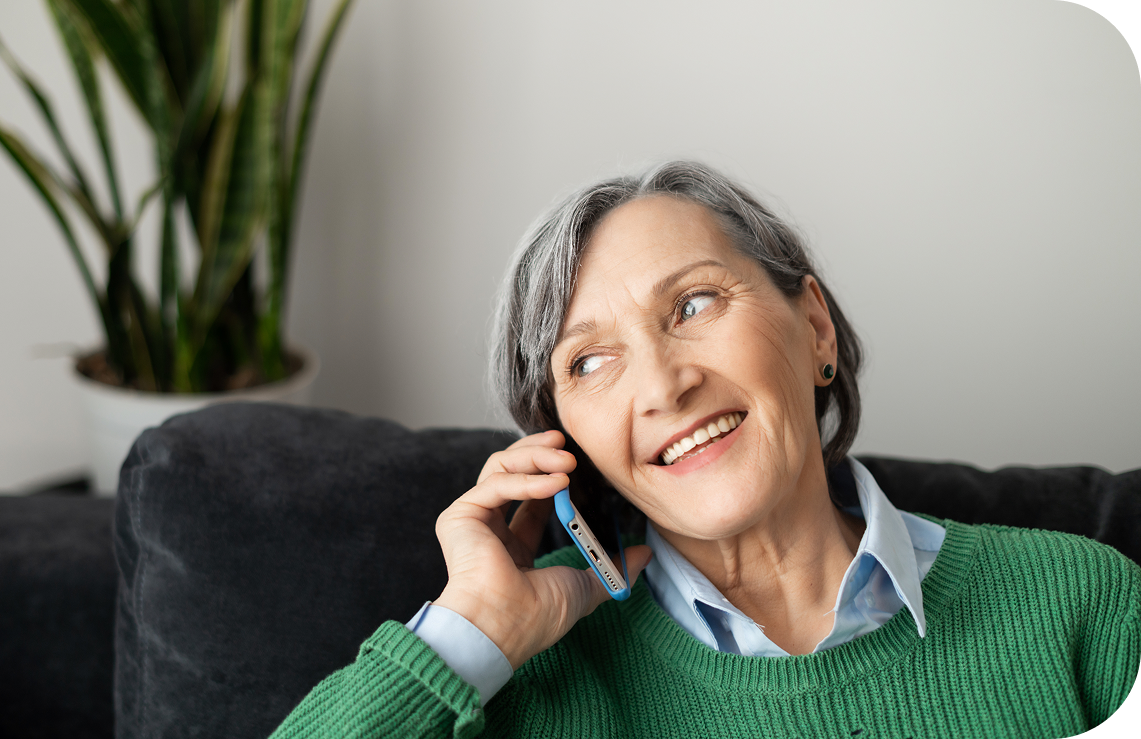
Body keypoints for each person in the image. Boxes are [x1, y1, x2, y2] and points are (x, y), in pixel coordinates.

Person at [271, 161, 1139, 738]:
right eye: (590, 360)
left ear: (814, 328)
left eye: (692, 306)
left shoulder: (1083, 606)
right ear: (564, 445)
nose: (662, 386)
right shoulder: (529, 692)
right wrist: (474, 632)